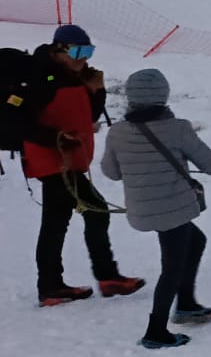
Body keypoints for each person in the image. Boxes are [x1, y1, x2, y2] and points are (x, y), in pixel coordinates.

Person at [101, 69, 211, 349]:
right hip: (173, 209)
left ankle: (187, 304)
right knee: (172, 267)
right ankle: (156, 331)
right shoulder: (177, 128)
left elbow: (111, 172)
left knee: (196, 240)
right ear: (163, 95)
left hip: (143, 209)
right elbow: (210, 164)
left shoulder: (118, 132)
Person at [22, 24, 144, 306]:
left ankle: (54, 286)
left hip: (68, 161)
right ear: (59, 49)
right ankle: (105, 277)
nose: (84, 58)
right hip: (54, 162)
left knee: (58, 222)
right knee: (95, 212)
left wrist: (97, 90)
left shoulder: (72, 76)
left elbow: (87, 115)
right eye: (78, 51)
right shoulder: (41, 77)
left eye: (88, 51)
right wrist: (55, 138)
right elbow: (24, 124)